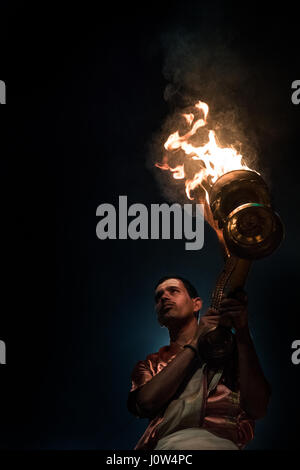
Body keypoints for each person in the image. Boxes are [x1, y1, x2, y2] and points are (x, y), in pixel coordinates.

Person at [127, 275, 271, 450]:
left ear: (196, 304)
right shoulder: (149, 363)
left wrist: (242, 330)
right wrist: (197, 341)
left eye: (173, 291)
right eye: (158, 297)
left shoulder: (230, 352)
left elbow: (258, 408)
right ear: (158, 318)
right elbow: (146, 403)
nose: (164, 297)